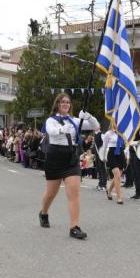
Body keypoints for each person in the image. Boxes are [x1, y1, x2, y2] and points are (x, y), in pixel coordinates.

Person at [38, 93, 98, 239]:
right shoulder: (51, 120)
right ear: (57, 104)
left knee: (74, 192)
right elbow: (50, 131)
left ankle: (74, 227)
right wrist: (61, 129)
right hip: (54, 157)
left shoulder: (75, 121)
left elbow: (96, 126)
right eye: (62, 102)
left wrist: (88, 116)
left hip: (71, 157)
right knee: (51, 193)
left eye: (68, 102)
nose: (65, 104)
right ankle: (43, 212)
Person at [104, 127, 127, 204]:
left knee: (117, 176)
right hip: (112, 154)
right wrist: (103, 156)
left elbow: (128, 143)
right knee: (117, 175)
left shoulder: (122, 133)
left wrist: (138, 142)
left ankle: (109, 190)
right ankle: (118, 197)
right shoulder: (108, 133)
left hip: (121, 154)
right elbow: (105, 145)